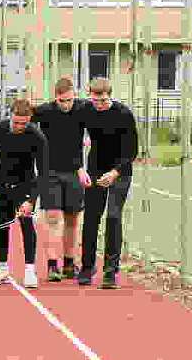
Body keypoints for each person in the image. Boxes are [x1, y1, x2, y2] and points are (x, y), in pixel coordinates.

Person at [0, 98, 48, 288]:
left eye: (23, 123)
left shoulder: (37, 136)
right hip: (0, 184)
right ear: (10, 116)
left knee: (26, 224)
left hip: (26, 184)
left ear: (30, 120)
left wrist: (32, 200)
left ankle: (29, 270)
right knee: (2, 226)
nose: (19, 126)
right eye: (15, 122)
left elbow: (43, 172)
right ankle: (1, 267)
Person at [77, 77, 139, 289]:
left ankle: (110, 272)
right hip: (95, 170)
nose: (100, 104)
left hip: (120, 171)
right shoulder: (85, 110)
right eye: (96, 100)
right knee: (91, 218)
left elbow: (132, 150)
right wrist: (80, 168)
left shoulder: (123, 114)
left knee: (113, 216)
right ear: (90, 96)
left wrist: (115, 173)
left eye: (103, 100)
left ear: (109, 96)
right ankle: (87, 267)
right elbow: (74, 138)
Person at [32, 77, 92, 282]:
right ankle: (52, 265)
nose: (66, 105)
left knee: (72, 218)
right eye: (61, 101)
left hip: (74, 171)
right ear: (55, 98)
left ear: (74, 96)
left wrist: (82, 168)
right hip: (50, 171)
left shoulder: (82, 109)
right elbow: (23, 119)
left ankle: (69, 263)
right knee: (53, 216)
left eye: (69, 100)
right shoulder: (45, 111)